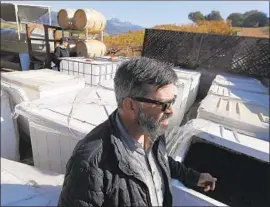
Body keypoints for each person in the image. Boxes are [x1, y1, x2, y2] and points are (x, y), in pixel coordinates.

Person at [58, 57, 217, 207]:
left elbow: (160, 161)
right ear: (131, 106)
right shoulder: (91, 162)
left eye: (172, 101)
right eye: (163, 104)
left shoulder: (152, 131)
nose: (171, 111)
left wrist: (193, 177)